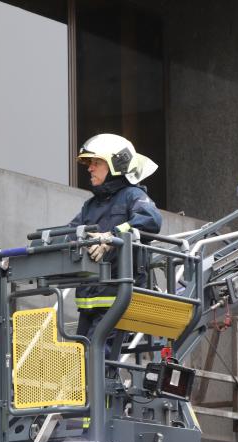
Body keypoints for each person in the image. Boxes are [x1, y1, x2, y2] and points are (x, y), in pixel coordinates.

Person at [68, 133, 163, 357]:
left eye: (96, 163)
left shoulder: (133, 195)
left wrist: (112, 237)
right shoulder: (90, 206)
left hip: (118, 297)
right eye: (89, 164)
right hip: (90, 300)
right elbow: (69, 233)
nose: (90, 168)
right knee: (81, 361)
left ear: (115, 165)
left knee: (96, 363)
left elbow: (151, 220)